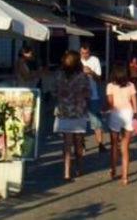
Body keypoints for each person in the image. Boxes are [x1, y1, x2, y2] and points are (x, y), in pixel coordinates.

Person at [54, 50, 90, 181]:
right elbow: (88, 93)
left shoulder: (59, 75)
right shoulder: (82, 76)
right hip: (78, 112)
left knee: (66, 143)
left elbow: (54, 91)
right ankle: (79, 168)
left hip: (63, 112)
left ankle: (66, 172)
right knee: (78, 142)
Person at [106, 62, 137, 186]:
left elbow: (110, 102)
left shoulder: (110, 86)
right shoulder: (131, 85)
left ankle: (113, 169)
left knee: (114, 145)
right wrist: (136, 114)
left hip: (116, 114)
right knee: (125, 147)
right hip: (128, 114)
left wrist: (104, 109)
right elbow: (135, 102)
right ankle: (125, 177)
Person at [79, 43, 106, 154]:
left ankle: (100, 144)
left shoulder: (95, 60)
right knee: (80, 121)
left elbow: (99, 78)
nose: (85, 55)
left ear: (90, 52)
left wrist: (91, 72)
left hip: (93, 95)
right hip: (80, 95)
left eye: (87, 53)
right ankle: (82, 144)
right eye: (83, 53)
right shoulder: (76, 60)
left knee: (96, 121)